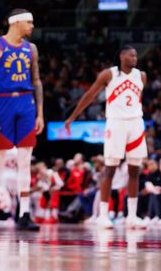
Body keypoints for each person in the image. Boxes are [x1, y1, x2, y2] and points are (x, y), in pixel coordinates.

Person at [64, 46, 149, 229]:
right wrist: (72, 117)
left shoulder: (141, 75)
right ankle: (103, 215)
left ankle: (132, 216)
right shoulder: (108, 74)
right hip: (116, 123)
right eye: (131, 54)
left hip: (136, 122)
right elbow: (89, 96)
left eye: (136, 54)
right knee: (110, 169)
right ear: (121, 56)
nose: (135, 57)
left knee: (135, 170)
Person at [0, 9, 44, 231]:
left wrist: (40, 113)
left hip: (26, 103)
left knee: (25, 160)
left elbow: (36, 81)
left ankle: (25, 213)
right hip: (2, 103)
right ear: (16, 23)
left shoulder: (31, 49)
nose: (32, 26)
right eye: (29, 22)